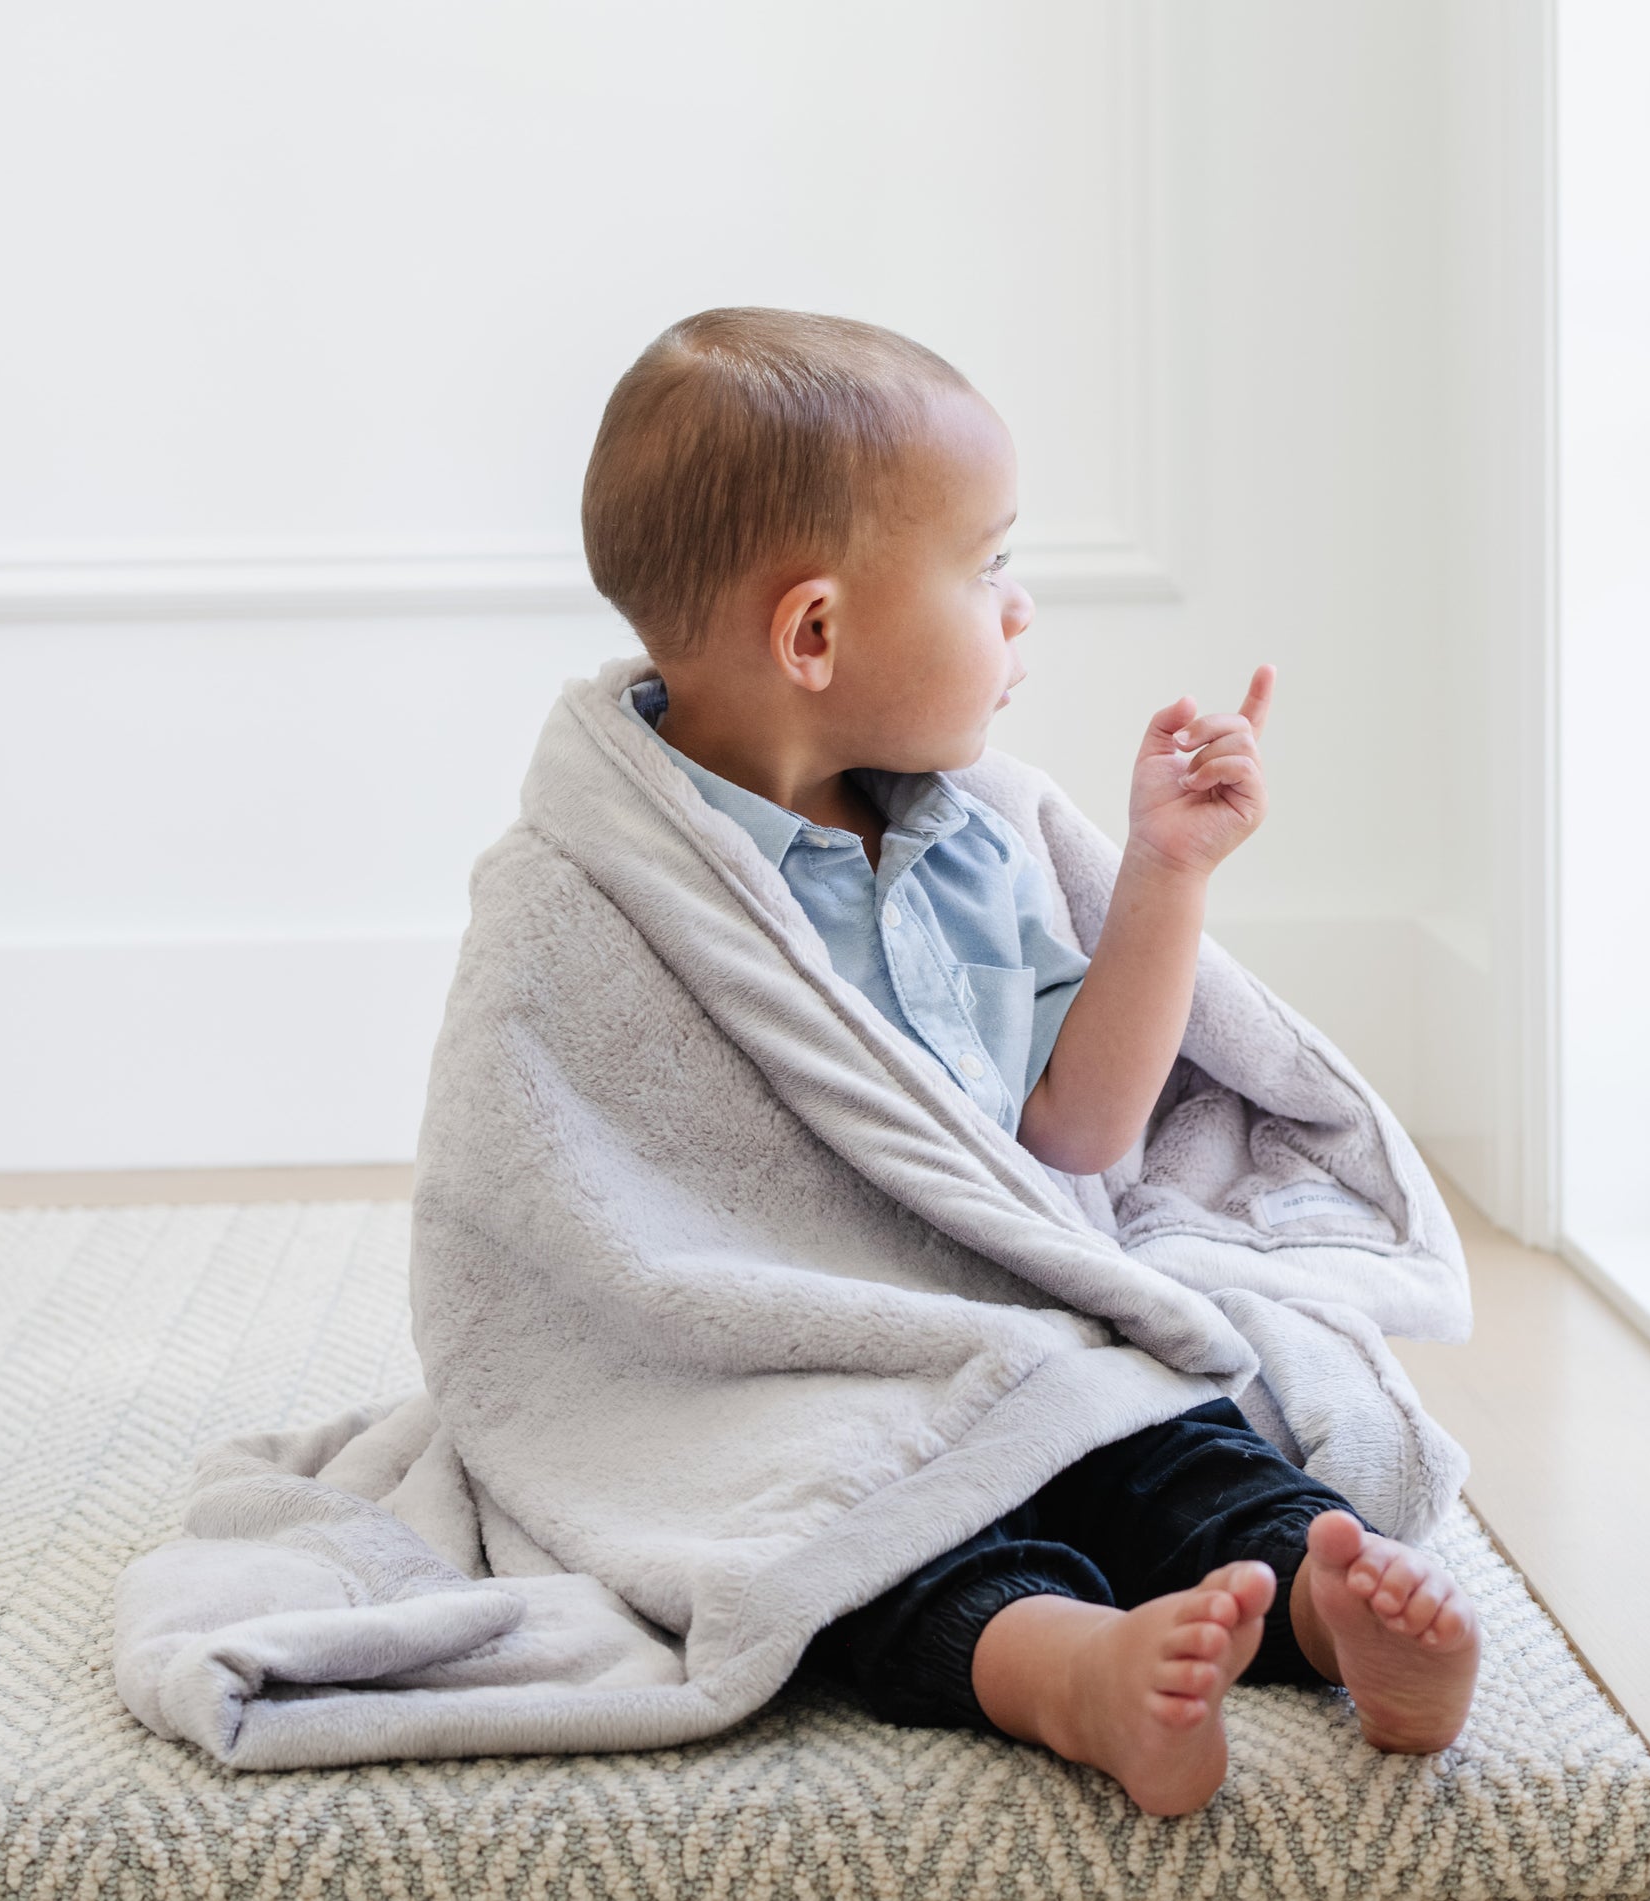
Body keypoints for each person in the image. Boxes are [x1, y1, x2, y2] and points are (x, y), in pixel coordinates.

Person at [580, 306, 1480, 1817]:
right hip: (810, 1373)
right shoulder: (600, 887)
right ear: (814, 634)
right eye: (985, 567)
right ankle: (1066, 1669)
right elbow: (569, 1216)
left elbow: (1077, 1132)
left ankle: (1325, 1605)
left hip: (1033, 1334)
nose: (1021, 608)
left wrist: (1166, 874)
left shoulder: (969, 842)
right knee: (840, 1533)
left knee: (1179, 1442)